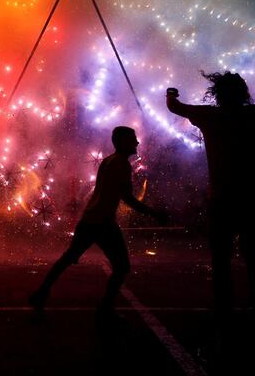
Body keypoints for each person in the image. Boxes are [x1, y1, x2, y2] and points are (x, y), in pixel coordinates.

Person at [166, 64, 255, 316]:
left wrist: (171, 94)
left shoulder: (210, 116)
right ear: (243, 93)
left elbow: (175, 107)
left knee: (221, 257)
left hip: (222, 198)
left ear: (218, 94)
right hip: (253, 197)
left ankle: (224, 305)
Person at [29, 126, 168, 318]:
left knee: (68, 258)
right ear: (121, 142)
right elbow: (127, 198)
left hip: (90, 219)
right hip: (103, 223)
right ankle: (105, 308)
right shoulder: (121, 164)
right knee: (121, 267)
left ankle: (42, 293)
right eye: (132, 139)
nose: (136, 143)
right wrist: (154, 214)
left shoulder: (108, 161)